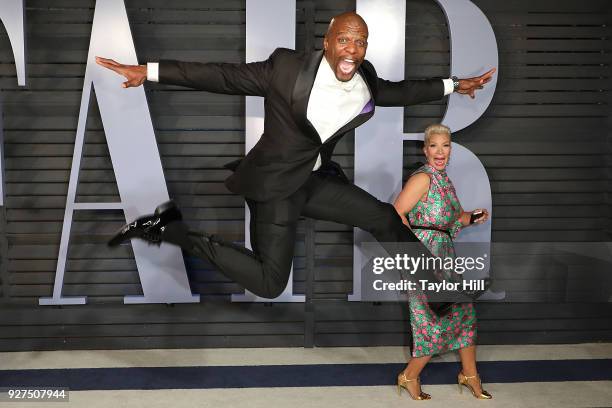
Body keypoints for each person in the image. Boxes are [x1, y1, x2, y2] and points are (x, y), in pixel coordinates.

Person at [96, 12, 495, 299]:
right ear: (326, 41)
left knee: (383, 217)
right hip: (275, 188)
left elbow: (400, 91)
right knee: (271, 284)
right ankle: (171, 229)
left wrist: (454, 84)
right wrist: (148, 71)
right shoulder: (285, 69)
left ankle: (441, 289)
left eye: (360, 42)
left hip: (314, 180)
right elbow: (220, 75)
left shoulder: (364, 77)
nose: (352, 50)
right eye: (344, 40)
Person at [392, 123, 491, 400]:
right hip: (424, 258)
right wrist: (415, 251)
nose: (440, 151)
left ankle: (470, 375)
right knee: (432, 322)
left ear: (450, 150)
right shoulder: (422, 178)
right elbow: (397, 213)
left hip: (445, 257)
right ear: (425, 150)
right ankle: (408, 376)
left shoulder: (445, 180)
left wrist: (472, 217)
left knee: (464, 313)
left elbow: (455, 218)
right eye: (434, 145)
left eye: (445, 146)